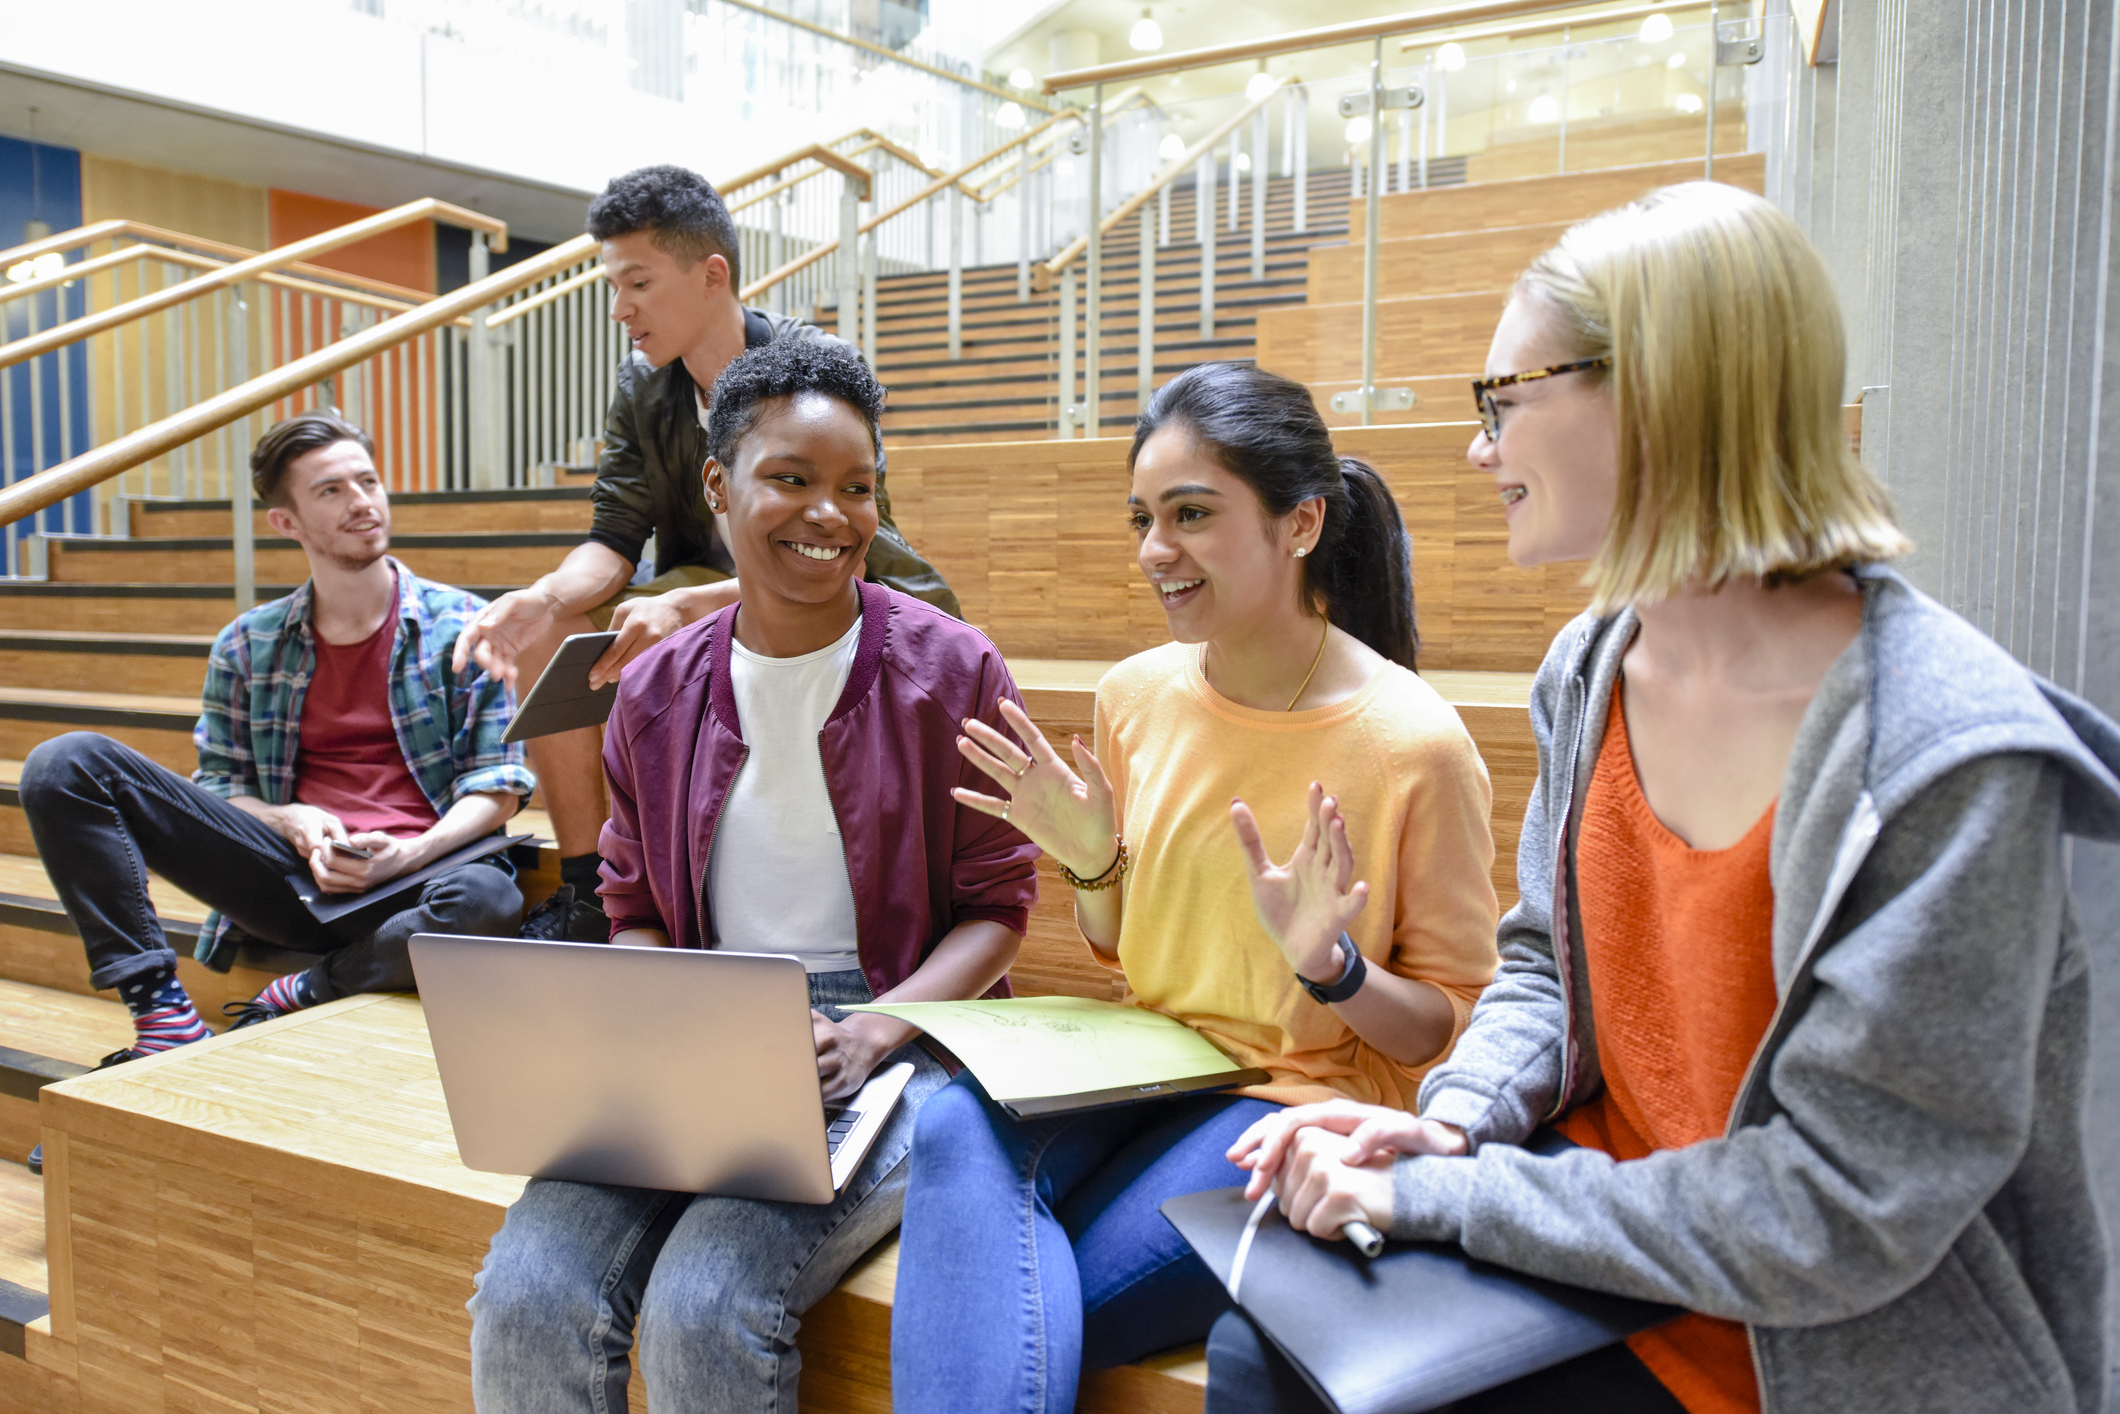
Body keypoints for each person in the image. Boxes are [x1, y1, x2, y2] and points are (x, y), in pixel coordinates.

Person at [1215, 181, 2120, 1414]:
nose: (1479, 447)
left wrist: (1456, 1194)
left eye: (1503, 399)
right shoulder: (1586, 667)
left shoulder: (1946, 757)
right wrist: (1455, 1122)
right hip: (1600, 1261)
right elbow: (1541, 967)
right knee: (1257, 1349)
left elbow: (1834, 1208)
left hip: (1819, 1348)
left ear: (1656, 395)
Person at [886, 361, 1503, 1412]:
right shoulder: (1134, 695)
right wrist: (1090, 858)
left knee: (1026, 1290)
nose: (1152, 551)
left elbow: (1446, 1036)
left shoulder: (1413, 744)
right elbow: (1119, 947)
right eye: (1143, 517)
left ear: (1299, 522)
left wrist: (1333, 967)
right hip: (1147, 1064)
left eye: (1190, 514)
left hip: (1292, 1101)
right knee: (952, 1127)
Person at [466, 337, 1038, 1413]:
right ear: (720, 486)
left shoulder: (953, 667)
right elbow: (631, 907)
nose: (831, 512)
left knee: (705, 1306)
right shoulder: (655, 687)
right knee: (526, 1293)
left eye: (856, 487)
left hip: (897, 1043)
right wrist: (657, 1010)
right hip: (704, 1026)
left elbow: (999, 908)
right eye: (792, 478)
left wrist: (876, 1029)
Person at [450, 164, 957, 938]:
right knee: (555, 627)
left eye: (639, 283)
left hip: (828, 580)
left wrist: (689, 603)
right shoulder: (643, 383)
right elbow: (615, 533)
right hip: (698, 584)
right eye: (613, 287)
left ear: (712, 274)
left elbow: (850, 537)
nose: (620, 309)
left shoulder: (808, 369)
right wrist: (545, 599)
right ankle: (592, 889)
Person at [19, 411, 531, 1074]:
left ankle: (306, 989)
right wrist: (288, 820)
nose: (362, 503)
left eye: (368, 482)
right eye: (331, 491)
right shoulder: (248, 643)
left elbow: (498, 784)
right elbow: (220, 787)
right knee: (64, 763)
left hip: (421, 877)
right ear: (285, 522)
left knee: (489, 901)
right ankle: (161, 1012)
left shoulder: (464, 625)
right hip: (292, 881)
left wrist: (405, 856)